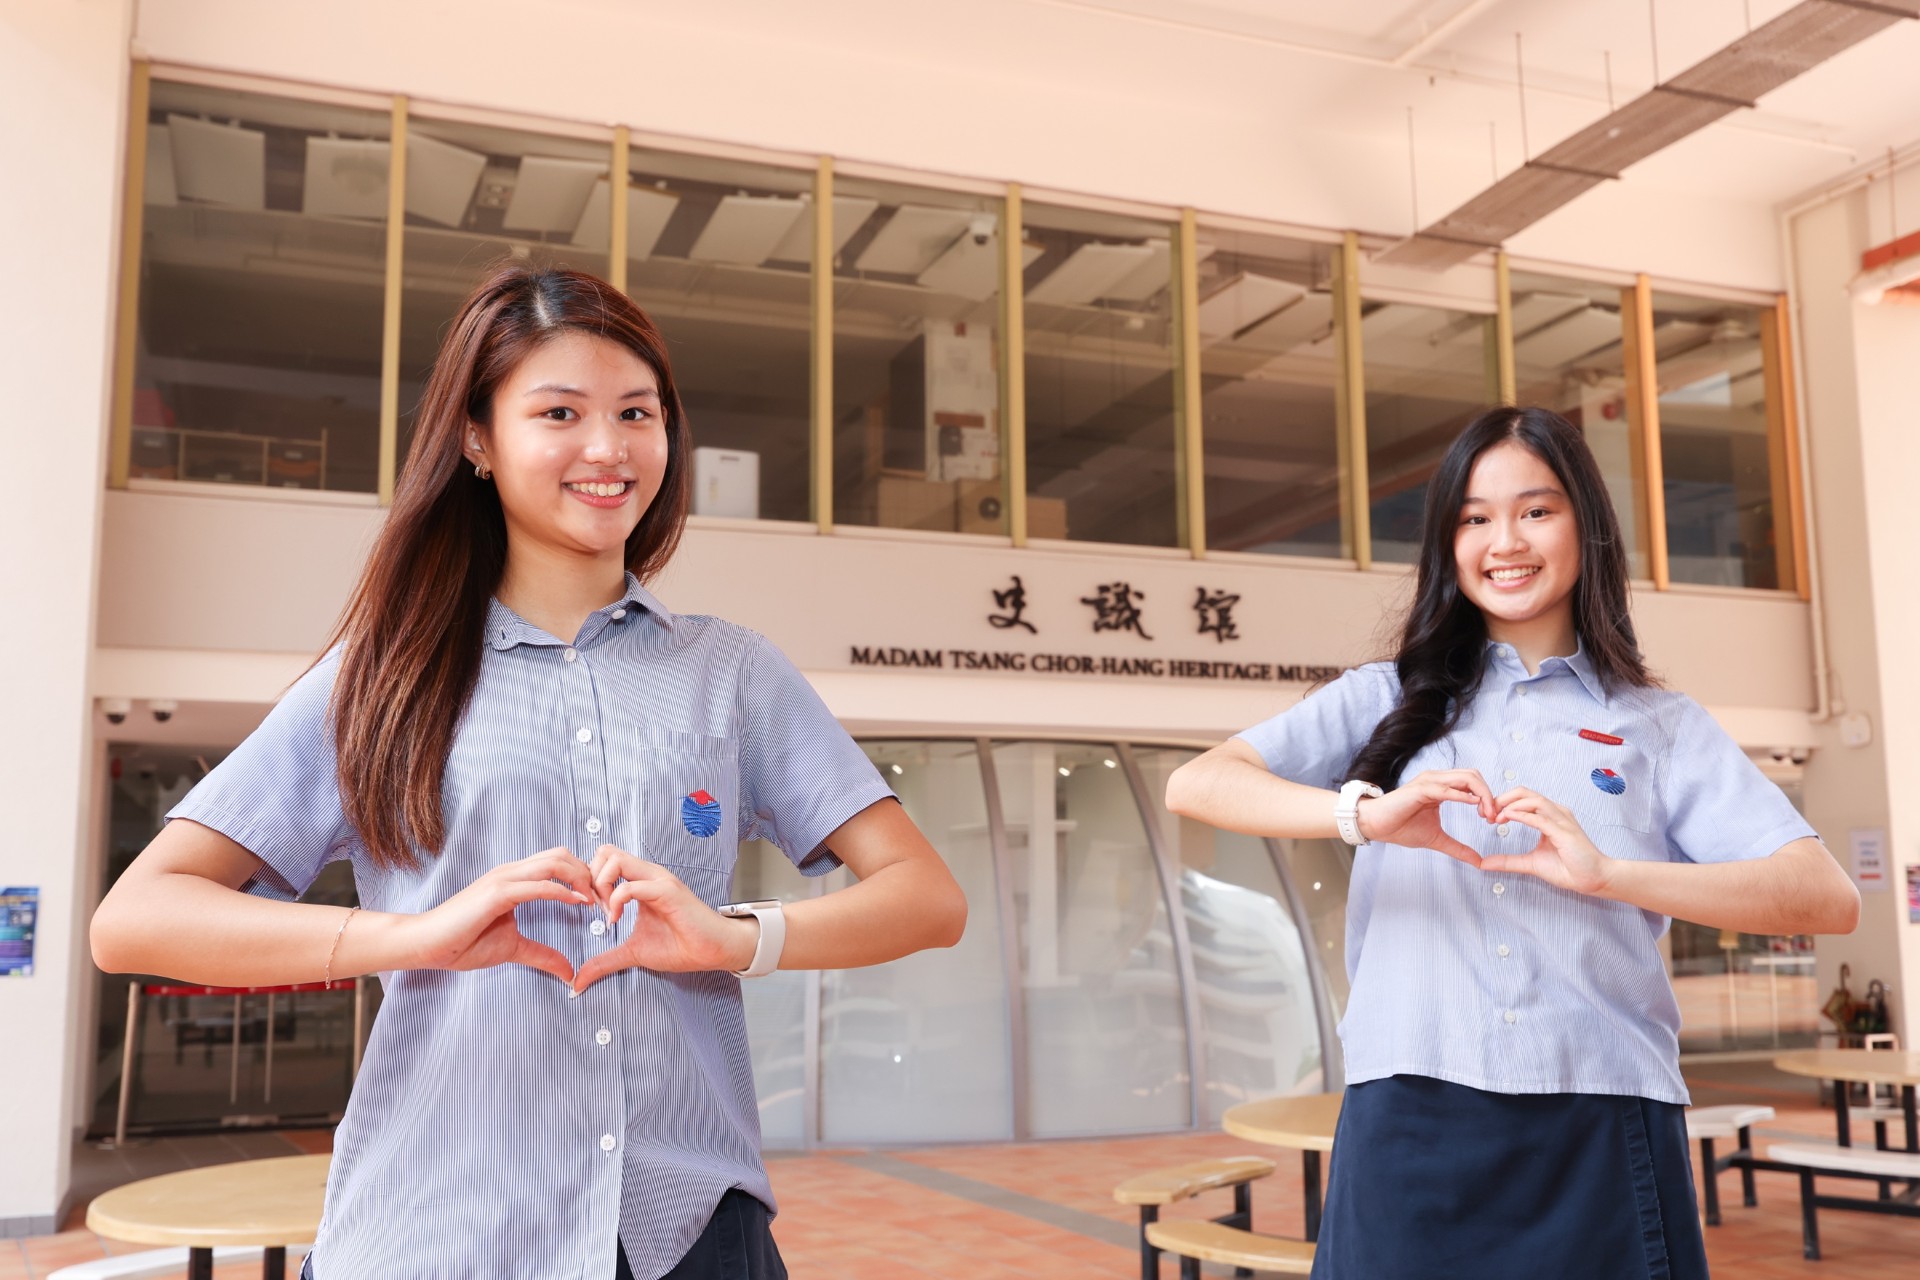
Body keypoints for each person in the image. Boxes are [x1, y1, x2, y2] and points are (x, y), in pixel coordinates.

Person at [90, 265, 968, 1280]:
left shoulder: (731, 673)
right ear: (477, 438)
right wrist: (414, 936)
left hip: (688, 1232)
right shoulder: (381, 677)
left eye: (637, 412)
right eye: (560, 411)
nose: (609, 447)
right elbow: (137, 916)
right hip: (437, 1229)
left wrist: (737, 938)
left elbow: (927, 896)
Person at [1165, 406, 1858, 1280]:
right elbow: (1196, 783)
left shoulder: (1657, 725)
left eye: (1536, 510)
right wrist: (1362, 816)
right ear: (1447, 543)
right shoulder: (1384, 697)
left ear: (1586, 528)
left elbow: (1824, 896)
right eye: (1474, 517)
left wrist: (1610, 876)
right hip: (1408, 1117)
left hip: (1599, 1122)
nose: (1506, 541)